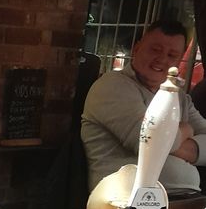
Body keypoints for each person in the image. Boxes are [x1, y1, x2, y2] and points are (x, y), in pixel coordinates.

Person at [81, 19, 206, 195]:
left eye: (172, 55)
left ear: (178, 62)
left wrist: (168, 141)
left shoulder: (179, 98)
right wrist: (186, 129)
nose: (162, 59)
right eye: (155, 50)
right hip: (125, 203)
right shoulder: (112, 86)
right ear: (137, 48)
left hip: (182, 200)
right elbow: (146, 141)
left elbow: (157, 141)